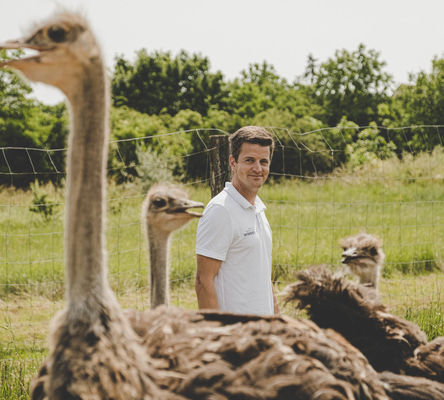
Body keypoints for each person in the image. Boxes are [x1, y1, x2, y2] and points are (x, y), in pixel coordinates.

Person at [195, 126, 279, 316]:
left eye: (263, 161)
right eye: (249, 160)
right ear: (233, 163)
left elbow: (264, 278)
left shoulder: (258, 209)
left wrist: (278, 322)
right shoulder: (221, 210)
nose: (258, 168)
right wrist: (217, 334)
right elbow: (203, 281)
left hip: (263, 332)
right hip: (236, 335)